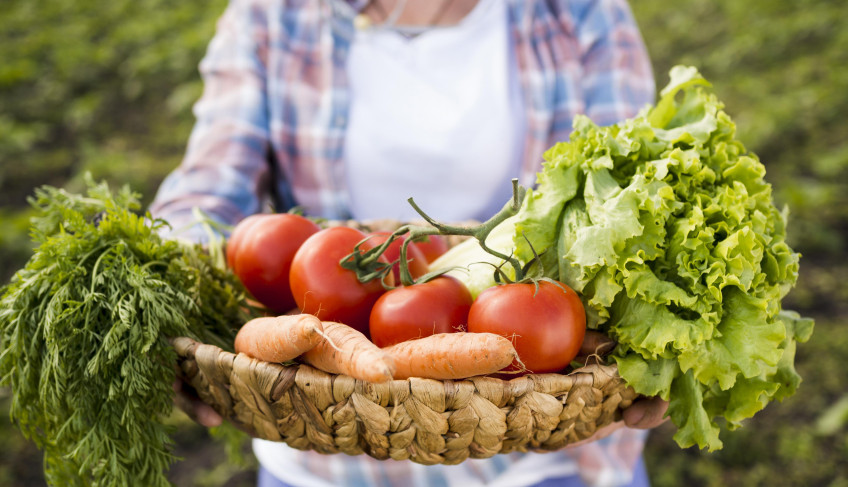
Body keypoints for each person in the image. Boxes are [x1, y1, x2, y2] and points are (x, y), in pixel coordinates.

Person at [151, 0, 668, 486]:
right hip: (323, 453)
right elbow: (210, 187)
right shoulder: (275, 13)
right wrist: (163, 288)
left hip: (556, 462)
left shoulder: (578, 13)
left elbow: (628, 191)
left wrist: (661, 344)